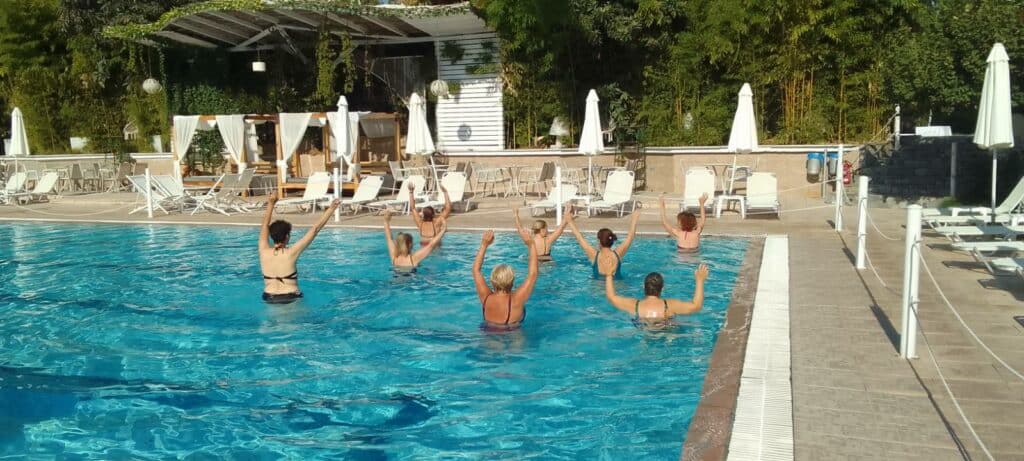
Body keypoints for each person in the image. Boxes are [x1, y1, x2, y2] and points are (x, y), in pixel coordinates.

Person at [259, 196, 340, 303]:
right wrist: (332, 208)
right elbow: (315, 229)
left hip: (269, 297)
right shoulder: (291, 252)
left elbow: (264, 226)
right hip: (291, 296)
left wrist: (271, 203)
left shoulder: (263, 251)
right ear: (287, 236)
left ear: (271, 235)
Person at [472, 229, 539, 330]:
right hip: (512, 334)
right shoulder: (516, 300)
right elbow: (533, 274)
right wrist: (531, 245)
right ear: (512, 281)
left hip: (488, 333)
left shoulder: (486, 297)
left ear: (492, 281)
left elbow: (476, 270)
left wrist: (484, 244)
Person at [604, 264, 709, 323]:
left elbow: (611, 297)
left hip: (642, 335)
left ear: (644, 287)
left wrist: (608, 275)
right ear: (662, 288)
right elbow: (696, 306)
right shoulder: (670, 306)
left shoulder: (634, 305)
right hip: (665, 337)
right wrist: (700, 280)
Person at [566, 207, 641, 279]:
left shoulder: (594, 255)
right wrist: (634, 219)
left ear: (599, 241)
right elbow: (630, 237)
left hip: (598, 287)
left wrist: (569, 221)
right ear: (612, 241)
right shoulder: (618, 254)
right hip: (618, 286)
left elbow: (579, 237)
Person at [409, 181, 451, 246]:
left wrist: (411, 192)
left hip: (424, 247)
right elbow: (447, 209)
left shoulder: (420, 223)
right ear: (433, 215)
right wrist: (445, 192)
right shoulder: (437, 223)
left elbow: (413, 208)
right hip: (435, 246)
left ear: (423, 215)